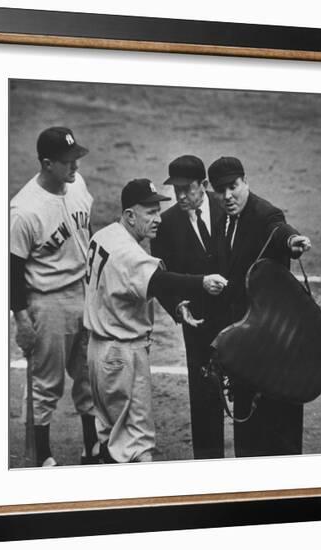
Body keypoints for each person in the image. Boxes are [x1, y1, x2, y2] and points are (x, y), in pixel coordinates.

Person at [83, 178, 227, 463]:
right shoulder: (130, 254)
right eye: (149, 211)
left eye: (158, 210)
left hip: (98, 353)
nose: (158, 219)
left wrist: (176, 308)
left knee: (112, 436)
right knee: (137, 445)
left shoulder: (105, 235)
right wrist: (202, 282)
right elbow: (162, 281)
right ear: (129, 216)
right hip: (122, 356)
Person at [207, 156, 312, 457]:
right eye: (220, 190)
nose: (227, 196)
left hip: (275, 347)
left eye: (232, 187)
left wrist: (293, 241)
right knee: (248, 434)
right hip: (246, 346)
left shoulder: (264, 213)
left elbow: (279, 230)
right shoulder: (223, 219)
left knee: (280, 430)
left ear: (245, 182)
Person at [10, 126, 99, 467]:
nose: (75, 166)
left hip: (83, 291)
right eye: (67, 161)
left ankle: (91, 446)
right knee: (46, 384)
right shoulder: (23, 211)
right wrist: (21, 320)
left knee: (89, 374)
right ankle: (43, 456)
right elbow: (11, 271)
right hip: (46, 302)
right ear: (47, 164)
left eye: (76, 157)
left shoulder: (77, 184)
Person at [150, 155, 226, 460]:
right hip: (198, 322)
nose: (180, 195)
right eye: (176, 188)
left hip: (238, 318)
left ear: (204, 185)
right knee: (204, 398)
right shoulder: (166, 224)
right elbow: (164, 278)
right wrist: (178, 307)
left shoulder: (227, 207)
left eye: (187, 188)